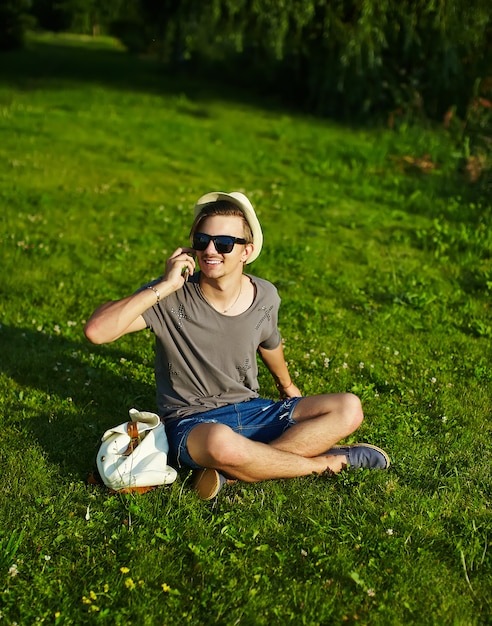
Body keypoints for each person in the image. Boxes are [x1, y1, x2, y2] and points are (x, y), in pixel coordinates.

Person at [84, 191, 390, 499]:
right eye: (202, 241)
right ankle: (329, 461)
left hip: (251, 409)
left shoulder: (265, 296)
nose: (211, 250)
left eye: (224, 244)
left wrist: (287, 385)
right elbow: (97, 332)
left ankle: (234, 473)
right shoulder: (170, 296)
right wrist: (163, 286)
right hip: (192, 422)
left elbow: (270, 342)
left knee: (349, 408)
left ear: (246, 251)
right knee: (222, 443)